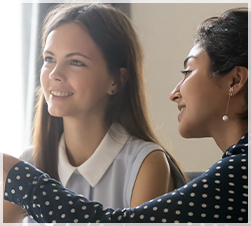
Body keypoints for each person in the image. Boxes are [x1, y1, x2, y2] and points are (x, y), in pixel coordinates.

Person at [3, 7, 248, 223]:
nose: (174, 93)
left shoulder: (148, 163)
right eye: (48, 59)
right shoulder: (31, 159)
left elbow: (123, 223)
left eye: (188, 70)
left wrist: (21, 180)